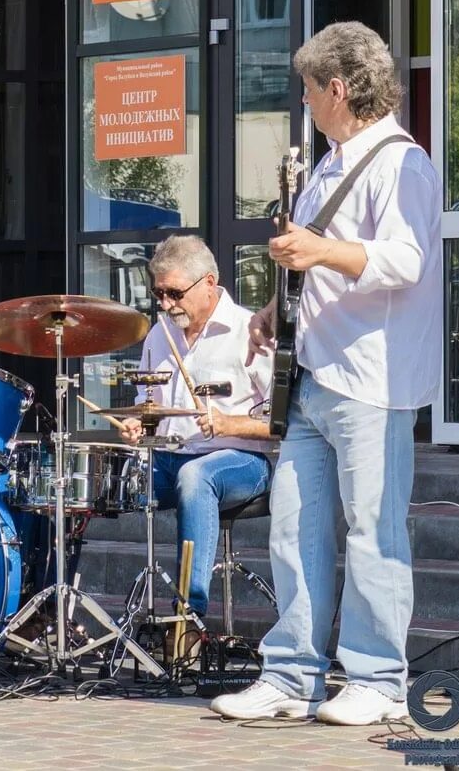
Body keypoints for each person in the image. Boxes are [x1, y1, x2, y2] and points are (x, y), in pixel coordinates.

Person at [211, 22, 441, 725]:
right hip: (315, 372)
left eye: (310, 90)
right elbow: (313, 264)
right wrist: (273, 315)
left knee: (373, 530)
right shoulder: (331, 164)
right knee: (294, 526)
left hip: (371, 378)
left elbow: (405, 260)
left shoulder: (404, 163)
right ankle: (292, 673)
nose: (305, 103)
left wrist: (317, 251)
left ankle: (377, 678)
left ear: (338, 89)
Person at [118, 236, 275, 632]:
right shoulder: (160, 334)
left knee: (196, 476)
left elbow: (286, 422)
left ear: (208, 283)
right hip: (171, 455)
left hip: (241, 460)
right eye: (159, 294)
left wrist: (229, 423)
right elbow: (149, 404)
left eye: (174, 293)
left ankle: (189, 616)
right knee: (98, 480)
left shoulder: (248, 329)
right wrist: (141, 423)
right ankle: (54, 605)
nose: (167, 304)